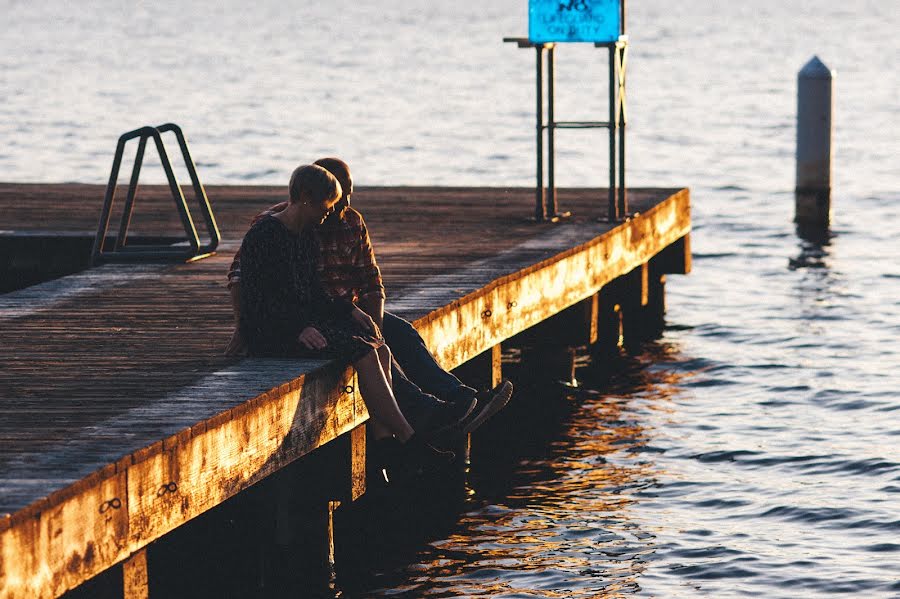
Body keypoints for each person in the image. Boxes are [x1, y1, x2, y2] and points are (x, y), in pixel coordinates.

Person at [227, 157, 513, 437]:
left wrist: (369, 318)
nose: (343, 203)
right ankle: (425, 416)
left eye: (348, 193)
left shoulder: (343, 223)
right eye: (335, 197)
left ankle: (460, 399)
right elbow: (249, 284)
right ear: (310, 197)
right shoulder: (276, 228)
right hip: (302, 322)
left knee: (398, 333)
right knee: (366, 347)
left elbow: (369, 281)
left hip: (337, 310)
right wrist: (246, 326)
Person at [237, 164, 450, 474]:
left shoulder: (306, 234)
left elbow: (313, 292)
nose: (332, 211)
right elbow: (259, 299)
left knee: (379, 348)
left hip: (304, 326)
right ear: (307, 197)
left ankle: (384, 439)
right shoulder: (265, 235)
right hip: (271, 332)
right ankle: (410, 440)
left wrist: (349, 309)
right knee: (361, 351)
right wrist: (298, 328)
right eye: (328, 203)